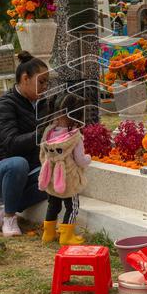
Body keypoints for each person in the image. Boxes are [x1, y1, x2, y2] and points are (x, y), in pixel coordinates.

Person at [0, 51, 53, 236]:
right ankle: (10, 218)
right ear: (25, 78)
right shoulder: (5, 104)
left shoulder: (44, 103)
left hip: (29, 171)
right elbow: (12, 144)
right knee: (18, 163)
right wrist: (41, 134)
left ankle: (3, 211)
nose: (45, 87)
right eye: (41, 81)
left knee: (56, 174)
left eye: (47, 82)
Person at [38, 93, 92, 245]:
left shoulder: (48, 132)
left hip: (51, 177)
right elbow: (80, 160)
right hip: (69, 179)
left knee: (53, 204)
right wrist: (88, 159)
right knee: (72, 207)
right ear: (77, 115)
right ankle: (66, 236)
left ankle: (48, 234)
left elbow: (42, 154)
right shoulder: (75, 136)